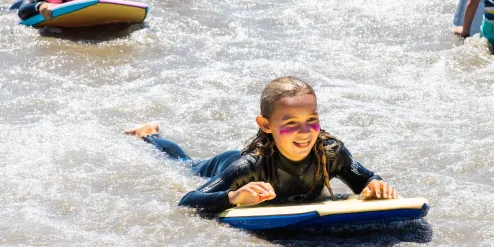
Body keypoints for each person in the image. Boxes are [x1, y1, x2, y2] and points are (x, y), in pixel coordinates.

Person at [124, 76, 397, 212]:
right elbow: (188, 201)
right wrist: (234, 197)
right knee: (185, 164)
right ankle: (149, 134)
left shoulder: (331, 153)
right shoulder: (249, 167)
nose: (305, 132)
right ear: (266, 125)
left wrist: (376, 185)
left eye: (311, 119)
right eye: (290, 123)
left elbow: (365, 179)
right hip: (225, 163)